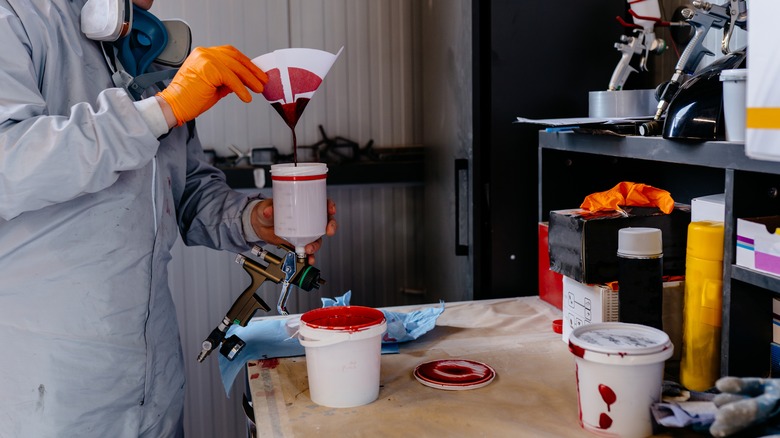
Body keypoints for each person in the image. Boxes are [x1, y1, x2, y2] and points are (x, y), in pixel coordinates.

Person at [0, 0, 337, 436]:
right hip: (53, 386)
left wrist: (253, 219)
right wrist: (163, 108)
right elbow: (10, 163)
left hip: (155, 377)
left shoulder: (146, 44)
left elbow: (185, 186)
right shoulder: (17, 19)